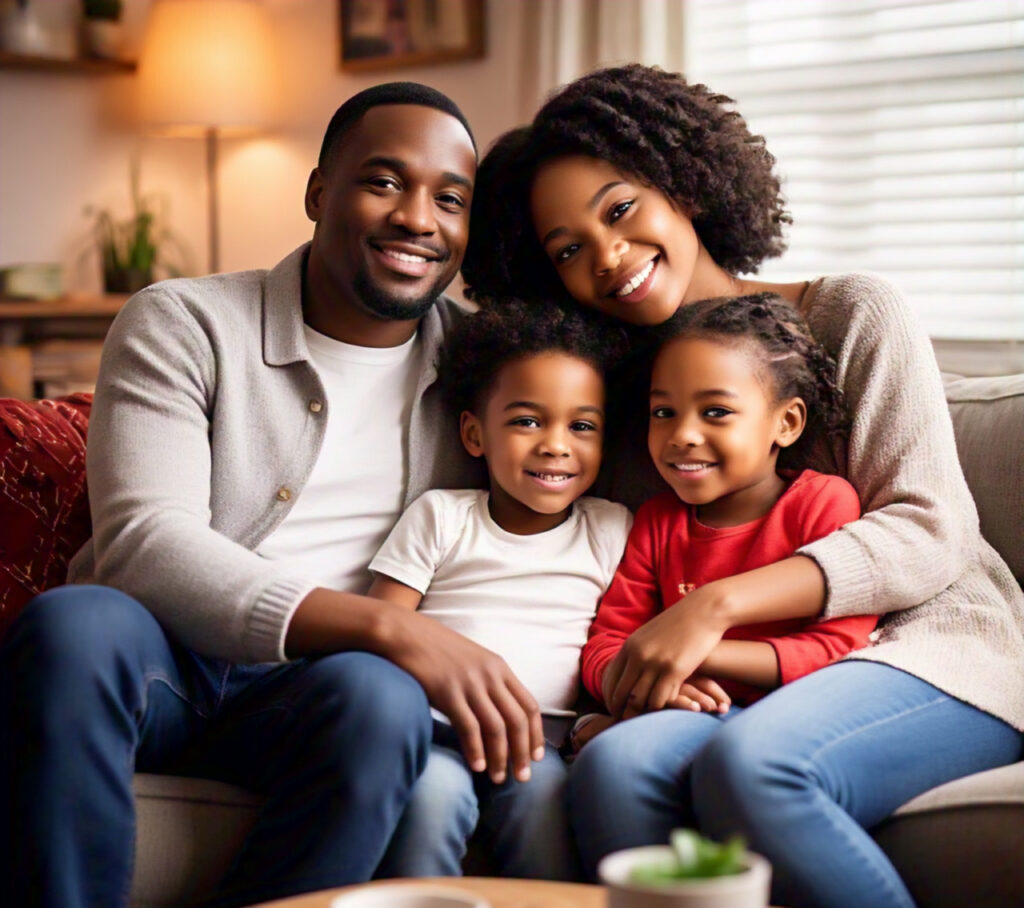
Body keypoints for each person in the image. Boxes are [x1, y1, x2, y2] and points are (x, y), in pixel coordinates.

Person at [462, 64, 1024, 908]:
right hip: (734, 683)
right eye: (568, 250)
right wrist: (603, 702)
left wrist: (712, 608)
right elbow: (612, 577)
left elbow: (929, 530)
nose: (608, 258)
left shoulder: (851, 316)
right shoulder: (617, 404)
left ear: (684, 185)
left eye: (619, 210)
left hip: (932, 649)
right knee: (613, 769)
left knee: (757, 767)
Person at [0, 83, 547, 908]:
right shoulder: (183, 321)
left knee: (383, 699)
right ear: (320, 192)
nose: (417, 218)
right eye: (384, 181)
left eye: (450, 199)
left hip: (317, 691)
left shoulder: (484, 367)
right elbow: (147, 541)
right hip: (165, 658)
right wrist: (390, 628)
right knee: (73, 626)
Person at [368, 300, 631, 880]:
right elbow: (380, 630)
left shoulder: (611, 528)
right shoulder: (441, 516)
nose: (556, 445)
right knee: (432, 799)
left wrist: (593, 720)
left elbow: (619, 636)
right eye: (526, 421)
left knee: (541, 807)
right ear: (474, 434)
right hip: (436, 733)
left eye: (581, 426)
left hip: (543, 742)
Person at [572, 293, 876, 754]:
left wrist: (690, 653)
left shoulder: (822, 503)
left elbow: (842, 649)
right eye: (663, 413)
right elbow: (607, 645)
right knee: (613, 764)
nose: (682, 435)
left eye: (715, 412)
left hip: (789, 723)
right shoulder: (659, 521)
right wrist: (654, 687)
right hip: (682, 714)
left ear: (787, 422)